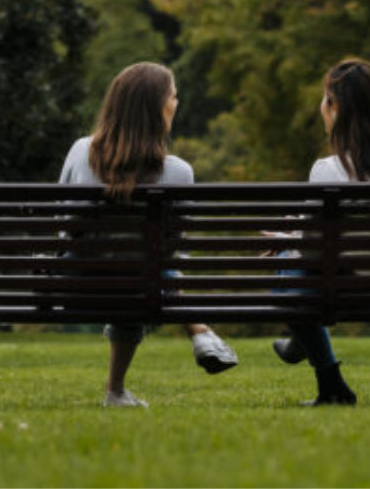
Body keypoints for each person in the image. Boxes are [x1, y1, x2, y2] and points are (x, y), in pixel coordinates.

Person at [59, 60, 238, 407]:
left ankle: (118, 391)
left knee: (135, 268)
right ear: (157, 108)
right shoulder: (179, 173)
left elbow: (63, 222)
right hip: (145, 286)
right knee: (148, 267)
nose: (178, 102)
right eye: (173, 96)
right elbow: (175, 247)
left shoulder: (82, 150)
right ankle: (198, 331)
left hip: (75, 285)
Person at [272, 57, 370, 406]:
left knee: (285, 266)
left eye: (326, 99)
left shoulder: (327, 170)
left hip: (339, 290)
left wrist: (287, 243)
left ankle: (327, 377)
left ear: (337, 109)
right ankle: (302, 346)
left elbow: (311, 255)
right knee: (296, 267)